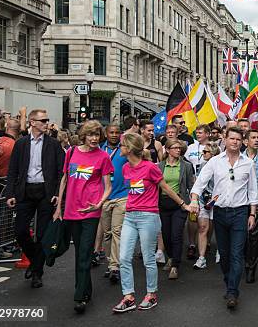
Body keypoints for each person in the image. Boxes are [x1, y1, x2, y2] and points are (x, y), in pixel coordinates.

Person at [112, 133, 193, 313]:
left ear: (130, 148)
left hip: (148, 216)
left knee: (148, 258)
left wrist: (183, 205)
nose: (119, 148)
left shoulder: (150, 168)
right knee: (124, 257)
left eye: (122, 145)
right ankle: (128, 297)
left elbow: (165, 188)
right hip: (130, 216)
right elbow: (131, 191)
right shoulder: (125, 168)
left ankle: (151, 294)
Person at [189, 126, 258, 309]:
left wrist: (252, 213)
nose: (235, 142)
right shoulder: (214, 161)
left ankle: (232, 292)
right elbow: (200, 183)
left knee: (236, 254)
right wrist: (195, 200)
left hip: (240, 213)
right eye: (232, 138)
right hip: (219, 213)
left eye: (238, 139)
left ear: (242, 141)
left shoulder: (248, 163)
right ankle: (229, 281)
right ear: (225, 139)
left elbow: (253, 191)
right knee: (225, 255)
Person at [53, 120, 114, 314]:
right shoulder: (71, 153)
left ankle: (79, 297)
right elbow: (64, 179)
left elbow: (108, 186)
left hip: (90, 211)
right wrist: (58, 208)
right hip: (71, 209)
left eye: (97, 135)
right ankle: (86, 290)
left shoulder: (104, 157)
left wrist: (99, 203)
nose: (94, 138)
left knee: (85, 252)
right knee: (80, 252)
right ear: (84, 136)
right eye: (91, 135)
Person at [5, 109, 65, 289]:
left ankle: (37, 272)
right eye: (43, 120)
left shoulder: (53, 144)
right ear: (32, 122)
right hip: (25, 191)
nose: (46, 123)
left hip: (45, 192)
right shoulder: (21, 143)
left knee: (42, 234)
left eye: (47, 120)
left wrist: (57, 193)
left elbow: (61, 171)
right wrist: (10, 193)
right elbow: (13, 170)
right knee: (20, 231)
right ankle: (35, 261)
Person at [158, 139, 195, 280]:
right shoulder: (160, 166)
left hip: (180, 204)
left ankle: (175, 265)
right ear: (167, 150)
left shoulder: (186, 166)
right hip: (163, 203)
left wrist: (194, 201)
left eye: (179, 148)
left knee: (176, 234)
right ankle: (171, 256)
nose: (178, 150)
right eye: (175, 148)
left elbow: (190, 185)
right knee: (166, 235)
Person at [99, 124, 128, 284]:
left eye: (117, 132)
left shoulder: (124, 150)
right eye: (112, 132)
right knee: (107, 232)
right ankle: (111, 262)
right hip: (104, 197)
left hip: (122, 196)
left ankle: (115, 266)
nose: (115, 135)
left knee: (117, 231)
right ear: (106, 133)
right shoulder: (99, 150)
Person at [243, 129, 258, 283]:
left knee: (254, 234)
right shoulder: (239, 157)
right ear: (246, 141)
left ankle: (251, 267)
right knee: (240, 232)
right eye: (253, 137)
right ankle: (240, 263)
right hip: (239, 197)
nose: (257, 140)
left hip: (256, 197)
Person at [193, 142, 221, 270]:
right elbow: (199, 183)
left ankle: (220, 252)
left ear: (214, 154)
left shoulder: (221, 166)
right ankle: (201, 258)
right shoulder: (203, 165)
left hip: (218, 201)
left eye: (206, 152)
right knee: (202, 227)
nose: (203, 154)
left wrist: (214, 198)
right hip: (204, 200)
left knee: (218, 228)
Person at [185, 124, 212, 259]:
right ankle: (191, 244)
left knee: (207, 221)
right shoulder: (190, 148)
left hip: (209, 190)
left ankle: (206, 242)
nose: (198, 134)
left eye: (201, 132)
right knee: (192, 216)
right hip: (193, 187)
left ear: (208, 134)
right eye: (197, 132)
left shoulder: (212, 147)